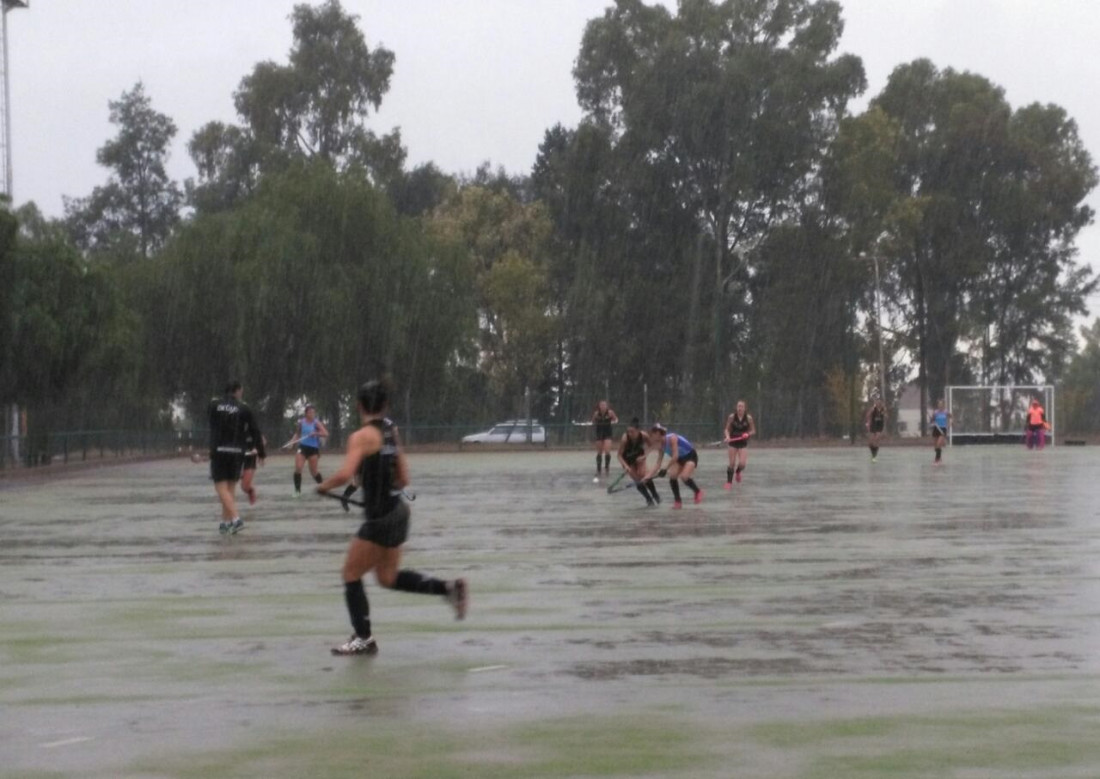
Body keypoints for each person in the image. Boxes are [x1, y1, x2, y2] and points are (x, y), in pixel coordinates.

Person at [317, 378, 468, 656]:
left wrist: (323, 486)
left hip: (380, 518)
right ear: (385, 405)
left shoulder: (361, 437)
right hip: (399, 513)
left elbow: (343, 473)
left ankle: (363, 638)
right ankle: (448, 588)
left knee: (350, 574)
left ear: (359, 405)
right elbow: (404, 478)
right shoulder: (390, 430)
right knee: (387, 577)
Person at [208, 381, 265, 534]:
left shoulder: (214, 405)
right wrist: (261, 451)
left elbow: (212, 423)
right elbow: (255, 431)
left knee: (221, 488)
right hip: (236, 452)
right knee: (230, 489)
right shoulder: (244, 408)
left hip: (219, 451)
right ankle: (225, 523)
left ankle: (236, 519)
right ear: (238, 391)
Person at [646, 423, 703, 509]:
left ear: (658, 433)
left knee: (684, 477)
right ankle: (678, 501)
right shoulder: (660, 446)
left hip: (690, 456)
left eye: (652, 434)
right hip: (679, 459)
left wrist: (665, 469)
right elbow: (658, 463)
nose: (651, 437)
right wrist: (647, 477)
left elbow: (675, 456)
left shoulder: (672, 438)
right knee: (672, 476)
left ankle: (698, 492)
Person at [616, 418, 660, 506]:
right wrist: (626, 466)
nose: (630, 434)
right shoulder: (625, 439)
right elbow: (619, 455)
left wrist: (644, 456)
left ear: (638, 430)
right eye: (628, 431)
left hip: (639, 457)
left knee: (645, 475)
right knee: (637, 480)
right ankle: (648, 499)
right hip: (628, 460)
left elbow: (651, 446)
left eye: (632, 431)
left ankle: (655, 494)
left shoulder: (644, 435)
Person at [291, 405, 329, 497]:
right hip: (302, 447)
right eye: (310, 412)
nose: (312, 414)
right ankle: (297, 491)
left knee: (314, 472)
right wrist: (293, 442)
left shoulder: (316, 423)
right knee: (298, 468)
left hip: (313, 449)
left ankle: (323, 487)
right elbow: (297, 434)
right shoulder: (301, 422)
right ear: (306, 413)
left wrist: (315, 433)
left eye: (313, 412)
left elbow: (325, 433)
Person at [724, 400, 756, 487]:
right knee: (732, 463)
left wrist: (748, 434)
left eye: (742, 406)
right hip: (733, 442)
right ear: (736, 407)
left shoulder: (748, 418)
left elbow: (753, 431)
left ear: (745, 408)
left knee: (742, 463)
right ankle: (729, 482)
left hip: (743, 442)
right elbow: (726, 429)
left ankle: (738, 472)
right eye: (738, 406)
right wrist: (727, 437)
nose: (740, 408)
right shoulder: (732, 417)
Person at [591, 400, 619, 476]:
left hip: (607, 433)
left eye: (604, 405)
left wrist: (613, 421)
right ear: (599, 406)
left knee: (607, 451)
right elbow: (593, 421)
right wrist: (594, 422)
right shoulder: (596, 413)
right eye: (601, 405)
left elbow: (616, 419)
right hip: (599, 433)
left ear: (607, 406)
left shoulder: (610, 412)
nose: (603, 406)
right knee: (599, 452)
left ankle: (607, 467)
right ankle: (598, 469)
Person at [240, 433, 267, 506]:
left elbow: (262, 440)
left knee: (245, 486)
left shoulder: (251, 427)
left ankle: (252, 492)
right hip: (237, 457)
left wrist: (258, 450)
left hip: (250, 457)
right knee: (242, 486)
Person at [864, 398, 886, 462]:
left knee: (876, 439)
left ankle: (874, 456)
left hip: (879, 426)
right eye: (877, 402)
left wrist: (884, 413)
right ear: (875, 403)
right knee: (870, 443)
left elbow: (886, 416)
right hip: (873, 425)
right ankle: (873, 454)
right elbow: (867, 415)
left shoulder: (883, 409)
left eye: (879, 402)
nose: (878, 403)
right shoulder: (873, 409)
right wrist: (868, 422)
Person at [930, 399, 951, 464]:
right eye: (939, 404)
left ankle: (937, 460)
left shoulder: (946, 412)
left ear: (943, 405)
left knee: (939, 444)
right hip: (936, 429)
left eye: (941, 404)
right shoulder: (935, 412)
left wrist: (950, 423)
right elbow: (932, 420)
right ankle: (939, 457)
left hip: (943, 429)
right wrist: (932, 421)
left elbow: (951, 417)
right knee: (936, 446)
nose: (940, 405)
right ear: (938, 405)